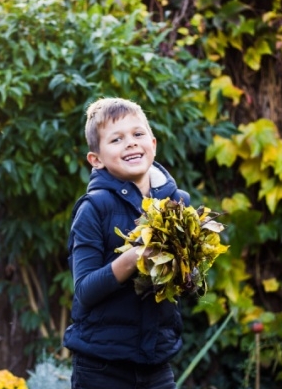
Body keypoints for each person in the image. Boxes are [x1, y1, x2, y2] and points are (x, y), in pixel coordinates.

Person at [63, 97, 191, 389]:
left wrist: (186, 270)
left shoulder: (177, 204)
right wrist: (136, 256)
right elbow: (85, 290)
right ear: (96, 159)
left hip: (157, 363)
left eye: (138, 134)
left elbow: (184, 283)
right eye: (117, 139)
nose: (131, 143)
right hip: (101, 367)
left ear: (153, 144)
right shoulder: (93, 209)